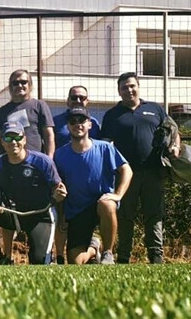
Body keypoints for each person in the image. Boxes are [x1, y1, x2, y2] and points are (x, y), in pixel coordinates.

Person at [101, 72, 181, 264]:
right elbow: (104, 145)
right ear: (119, 92)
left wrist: (176, 146)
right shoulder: (112, 115)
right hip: (125, 176)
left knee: (154, 215)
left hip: (154, 172)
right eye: (124, 87)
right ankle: (124, 257)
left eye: (131, 86)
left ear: (138, 86)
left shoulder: (155, 109)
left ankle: (156, 257)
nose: (128, 90)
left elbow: (174, 130)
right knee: (125, 216)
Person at [0, 121, 64, 265]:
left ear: (24, 139)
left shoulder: (42, 162)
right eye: (8, 138)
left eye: (17, 138)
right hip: (14, 215)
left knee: (38, 262)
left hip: (40, 216)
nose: (13, 142)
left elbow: (58, 189)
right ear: (2, 142)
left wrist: (58, 196)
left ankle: (46, 257)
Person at [54, 107, 133, 265]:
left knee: (107, 204)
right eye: (73, 121)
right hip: (76, 211)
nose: (78, 125)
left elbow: (127, 170)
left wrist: (118, 195)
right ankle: (93, 248)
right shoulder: (60, 155)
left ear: (90, 124)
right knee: (75, 262)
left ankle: (107, 253)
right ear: (68, 126)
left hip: (100, 205)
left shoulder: (105, 148)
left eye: (82, 121)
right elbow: (58, 185)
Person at [0, 69, 55, 260]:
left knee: (41, 208)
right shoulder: (2, 112)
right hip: (9, 169)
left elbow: (49, 134)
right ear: (9, 87)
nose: (19, 86)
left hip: (35, 168)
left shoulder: (39, 105)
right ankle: (6, 255)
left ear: (30, 85)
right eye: (15, 83)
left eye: (23, 82)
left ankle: (47, 253)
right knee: (6, 207)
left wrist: (49, 159)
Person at [51, 85, 101, 264]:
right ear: (67, 100)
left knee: (86, 217)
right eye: (74, 97)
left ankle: (92, 246)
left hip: (85, 182)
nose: (78, 100)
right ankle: (58, 257)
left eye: (82, 98)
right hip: (60, 178)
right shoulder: (55, 122)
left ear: (87, 101)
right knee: (61, 219)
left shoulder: (93, 123)